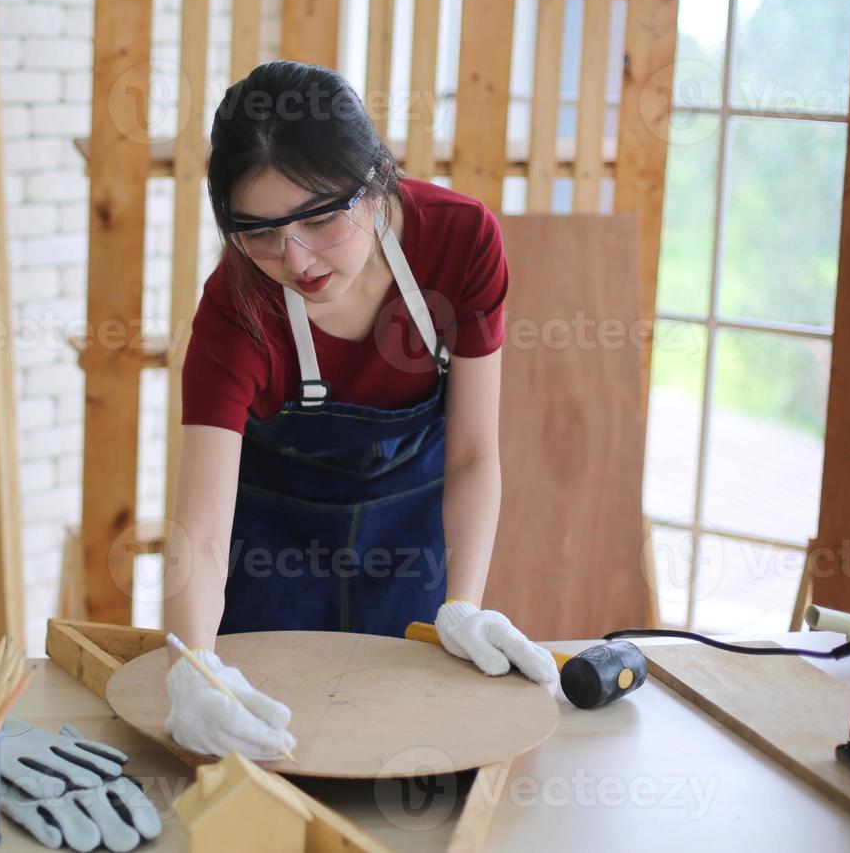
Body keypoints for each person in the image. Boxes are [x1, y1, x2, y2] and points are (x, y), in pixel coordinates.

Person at [161, 61, 559, 761]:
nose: (294, 258)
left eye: (318, 218)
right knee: (273, 767)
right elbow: (198, 532)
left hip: (411, 551)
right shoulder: (238, 305)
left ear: (377, 181)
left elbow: (472, 454)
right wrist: (191, 667)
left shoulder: (461, 242)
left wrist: (463, 603)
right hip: (268, 564)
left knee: (406, 760)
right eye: (257, 231)